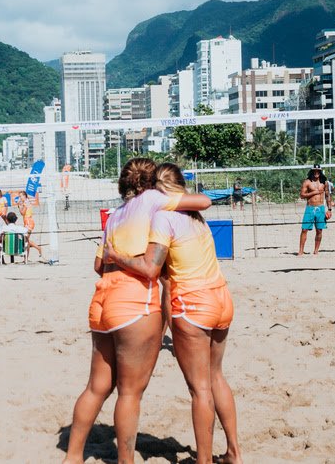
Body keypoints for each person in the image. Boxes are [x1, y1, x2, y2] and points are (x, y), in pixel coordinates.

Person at [63, 158, 211, 464]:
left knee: (96, 387)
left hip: (102, 300)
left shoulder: (114, 216)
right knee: (129, 393)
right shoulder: (155, 200)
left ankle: (73, 456)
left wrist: (119, 256)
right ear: (150, 181)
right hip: (133, 303)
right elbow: (204, 201)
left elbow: (98, 265)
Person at [104, 163, 242, 464]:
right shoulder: (197, 218)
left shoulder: (164, 218)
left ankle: (204, 461)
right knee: (216, 377)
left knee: (200, 389)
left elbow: (154, 271)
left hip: (194, 305)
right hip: (222, 297)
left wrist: (116, 256)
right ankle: (234, 452)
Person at [298, 163, 331, 256]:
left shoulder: (324, 182)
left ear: (320, 172)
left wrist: (329, 209)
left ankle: (316, 250)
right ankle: (301, 251)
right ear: (312, 171)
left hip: (320, 208)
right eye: (314, 171)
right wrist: (315, 192)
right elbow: (302, 195)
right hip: (310, 208)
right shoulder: (307, 182)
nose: (316, 173)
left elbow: (328, 196)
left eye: (318, 171)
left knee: (319, 230)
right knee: (304, 229)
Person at [17, 190, 42, 259]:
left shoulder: (26, 202)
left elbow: (22, 213)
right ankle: (26, 257)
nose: (20, 197)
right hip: (28, 221)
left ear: (24, 196)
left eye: (21, 196)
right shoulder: (26, 201)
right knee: (26, 240)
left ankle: (37, 249)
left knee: (25, 240)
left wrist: (19, 206)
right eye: (19, 196)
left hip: (28, 221)